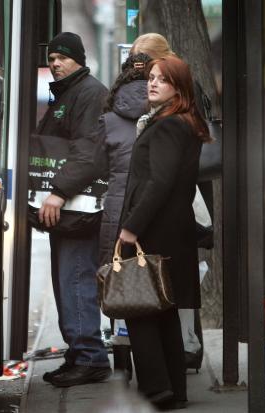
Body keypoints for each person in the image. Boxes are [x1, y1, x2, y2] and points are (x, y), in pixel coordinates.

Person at [118, 55, 210, 409]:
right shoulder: (176, 121)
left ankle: (156, 389)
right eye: (151, 77)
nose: (152, 83)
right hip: (169, 231)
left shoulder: (170, 125)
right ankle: (174, 391)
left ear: (179, 88)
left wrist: (131, 228)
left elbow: (159, 182)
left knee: (140, 307)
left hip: (156, 232)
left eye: (162, 79)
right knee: (163, 311)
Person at [34, 32, 111, 387]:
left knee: (77, 278)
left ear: (78, 59)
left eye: (62, 57)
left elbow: (89, 153)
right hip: (70, 211)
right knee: (68, 280)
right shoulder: (70, 93)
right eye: (51, 58)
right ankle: (79, 353)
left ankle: (91, 358)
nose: (55, 63)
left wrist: (58, 192)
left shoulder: (89, 93)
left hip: (79, 210)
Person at [97, 52, 152, 380]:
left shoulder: (108, 118)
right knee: (151, 279)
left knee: (119, 283)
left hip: (117, 212)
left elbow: (98, 166)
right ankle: (154, 364)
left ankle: (121, 359)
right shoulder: (164, 113)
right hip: (155, 210)